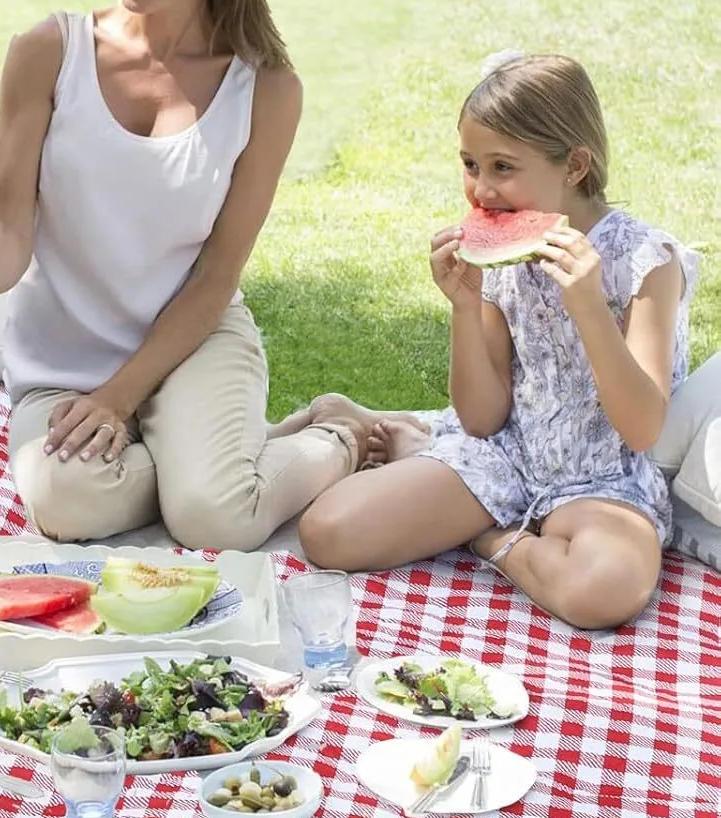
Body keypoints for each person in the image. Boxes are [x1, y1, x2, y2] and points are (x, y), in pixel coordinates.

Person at [0, 0, 377, 550]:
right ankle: (209, 463)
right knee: (64, 503)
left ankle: (335, 434)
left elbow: (218, 275)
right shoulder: (46, 53)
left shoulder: (267, 90)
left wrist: (122, 398)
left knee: (215, 522)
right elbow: (11, 228)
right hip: (65, 356)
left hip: (192, 340)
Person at [298, 54, 698, 629]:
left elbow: (641, 427)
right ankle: (470, 493)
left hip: (604, 478)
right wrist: (464, 306)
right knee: (327, 533)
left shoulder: (647, 262)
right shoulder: (503, 257)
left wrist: (586, 304)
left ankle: (490, 537)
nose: (481, 189)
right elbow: (484, 418)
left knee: (602, 592)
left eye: (503, 167)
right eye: (469, 164)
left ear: (574, 166)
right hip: (504, 454)